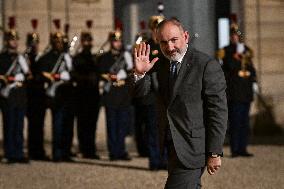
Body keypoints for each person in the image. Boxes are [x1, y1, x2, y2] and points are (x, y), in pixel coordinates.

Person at [132, 19, 227, 188]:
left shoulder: (206, 65)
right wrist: (140, 75)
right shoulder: (158, 63)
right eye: (163, 42)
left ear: (186, 36)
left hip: (194, 147)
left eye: (174, 40)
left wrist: (214, 152)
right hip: (171, 145)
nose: (169, 47)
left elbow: (218, 111)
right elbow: (141, 95)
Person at [33, 19, 73, 162]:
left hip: (67, 94)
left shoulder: (67, 57)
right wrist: (55, 76)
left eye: (61, 42)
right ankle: (57, 153)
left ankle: (66, 152)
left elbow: (73, 74)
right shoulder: (46, 58)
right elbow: (41, 75)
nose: (59, 44)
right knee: (57, 125)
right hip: (55, 95)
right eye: (57, 42)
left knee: (68, 126)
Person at [132, 16, 168, 170]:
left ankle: (166, 160)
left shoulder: (167, 46)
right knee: (153, 130)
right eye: (155, 29)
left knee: (166, 130)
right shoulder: (146, 46)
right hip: (151, 95)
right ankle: (154, 160)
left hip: (166, 94)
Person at [220, 24, 257, 158]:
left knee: (244, 122)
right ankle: (235, 148)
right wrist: (236, 58)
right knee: (235, 121)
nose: (236, 37)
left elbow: (251, 70)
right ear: (231, 37)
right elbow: (228, 67)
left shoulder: (246, 50)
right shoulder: (226, 51)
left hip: (245, 92)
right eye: (234, 35)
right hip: (234, 92)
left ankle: (243, 148)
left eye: (238, 36)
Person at [97, 29, 133, 161]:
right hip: (111, 94)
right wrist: (111, 77)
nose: (117, 43)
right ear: (111, 42)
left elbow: (131, 73)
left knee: (122, 125)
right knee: (112, 125)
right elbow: (100, 73)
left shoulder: (126, 56)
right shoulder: (105, 57)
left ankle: (121, 150)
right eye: (114, 41)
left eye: (119, 41)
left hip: (123, 94)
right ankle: (113, 151)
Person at [0, 17, 30, 163]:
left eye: (16, 39)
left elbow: (27, 75)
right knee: (9, 125)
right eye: (12, 40)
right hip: (9, 95)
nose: (15, 42)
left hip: (20, 95)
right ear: (7, 41)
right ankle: (9, 153)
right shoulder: (2, 58)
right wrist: (11, 79)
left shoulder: (21, 57)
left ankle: (18, 152)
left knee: (19, 126)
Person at [72, 20, 101, 159]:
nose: (88, 43)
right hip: (81, 95)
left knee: (92, 124)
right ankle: (84, 148)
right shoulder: (77, 58)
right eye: (85, 41)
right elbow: (75, 74)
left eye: (90, 41)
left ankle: (91, 149)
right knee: (82, 124)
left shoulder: (95, 58)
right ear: (82, 42)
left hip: (93, 96)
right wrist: (86, 77)